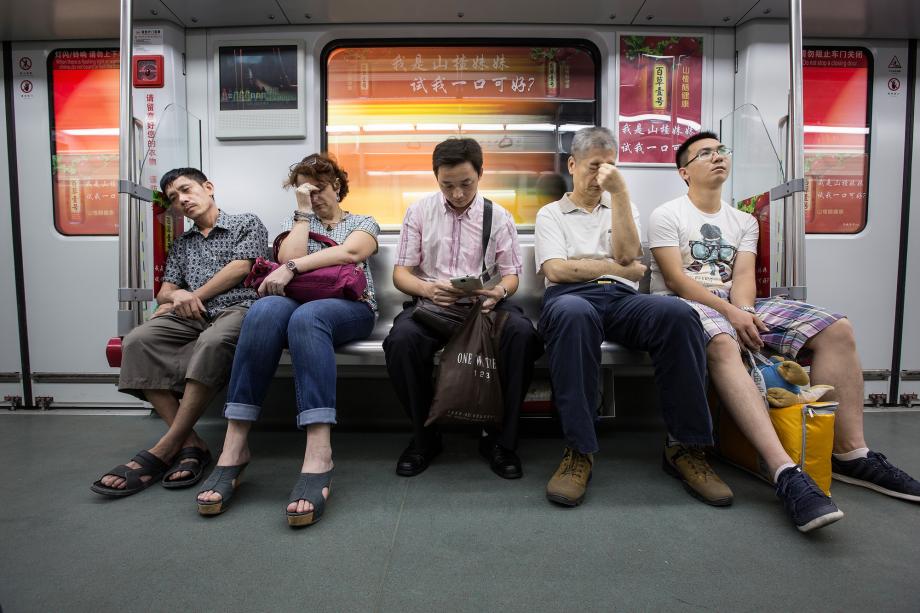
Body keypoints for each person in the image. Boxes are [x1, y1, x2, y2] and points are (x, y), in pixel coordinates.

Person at [647, 131, 920, 528]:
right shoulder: (668, 214)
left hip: (735, 301)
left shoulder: (742, 220)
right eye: (705, 153)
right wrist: (729, 314)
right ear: (684, 172)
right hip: (686, 303)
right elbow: (676, 279)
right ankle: (786, 473)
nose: (718, 157)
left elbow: (743, 276)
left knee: (836, 328)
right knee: (723, 342)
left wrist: (743, 311)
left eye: (721, 150)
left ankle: (851, 454)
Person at [535, 127, 731, 509]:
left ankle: (685, 447)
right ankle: (579, 449)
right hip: (571, 298)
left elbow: (630, 257)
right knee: (573, 315)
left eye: (610, 167)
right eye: (594, 167)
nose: (602, 176)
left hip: (622, 301)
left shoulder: (623, 205)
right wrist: (615, 267)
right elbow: (557, 271)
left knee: (678, 314)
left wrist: (620, 194)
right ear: (573, 165)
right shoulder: (551, 213)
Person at [196, 154, 379, 526]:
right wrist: (302, 215)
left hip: (352, 308)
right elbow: (285, 257)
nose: (314, 196)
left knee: (307, 317)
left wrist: (295, 267)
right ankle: (235, 445)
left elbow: (351, 252)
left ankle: (319, 452)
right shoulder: (294, 223)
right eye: (305, 190)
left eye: (320, 188)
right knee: (262, 312)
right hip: (298, 306)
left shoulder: (362, 221)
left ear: (338, 187)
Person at [91, 168, 268, 497]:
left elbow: (243, 267)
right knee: (139, 341)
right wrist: (178, 296)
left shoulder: (247, 222)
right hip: (190, 313)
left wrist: (192, 294)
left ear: (209, 188)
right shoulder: (183, 244)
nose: (182, 200)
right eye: (174, 198)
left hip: (239, 307)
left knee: (212, 342)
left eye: (186, 190)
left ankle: (166, 447)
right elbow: (165, 291)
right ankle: (191, 443)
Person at [383, 137, 543, 479]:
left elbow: (513, 275)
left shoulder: (498, 217)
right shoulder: (419, 211)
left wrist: (498, 291)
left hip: (482, 308)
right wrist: (427, 288)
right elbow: (401, 274)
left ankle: (501, 439)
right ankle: (425, 437)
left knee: (522, 335)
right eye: (448, 185)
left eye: (465, 184)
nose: (457, 194)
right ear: (436, 178)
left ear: (481, 173)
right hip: (432, 307)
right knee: (401, 341)